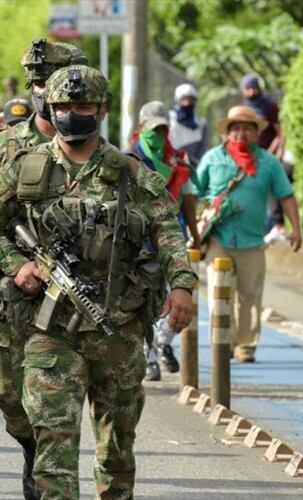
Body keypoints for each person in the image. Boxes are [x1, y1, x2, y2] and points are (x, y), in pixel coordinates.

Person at [0, 65, 196, 499]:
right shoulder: (25, 169)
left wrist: (182, 285)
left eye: (83, 106)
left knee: (117, 451)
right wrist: (17, 265)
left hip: (120, 327)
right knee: (53, 450)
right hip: (49, 330)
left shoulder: (128, 173)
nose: (73, 114)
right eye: (63, 107)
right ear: (49, 110)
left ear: (102, 110)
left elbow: (166, 227)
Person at [0, 39, 87, 500]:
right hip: (14, 287)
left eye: (45, 80)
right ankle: (30, 445)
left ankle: (51, 470)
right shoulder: (4, 144)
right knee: (8, 390)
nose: (37, 89)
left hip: (73, 293)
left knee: (55, 392)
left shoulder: (92, 147)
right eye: (32, 81)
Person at [195, 105, 301, 363]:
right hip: (218, 236)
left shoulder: (268, 163)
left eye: (247, 128)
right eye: (236, 128)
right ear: (228, 132)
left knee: (250, 296)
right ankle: (224, 340)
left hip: (252, 240)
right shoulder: (212, 158)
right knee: (219, 291)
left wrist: (296, 228)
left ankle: (246, 345)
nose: (241, 133)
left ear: (256, 133)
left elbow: (285, 196)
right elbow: (194, 192)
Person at [132, 100, 200, 382]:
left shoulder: (178, 161)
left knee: (181, 295)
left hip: (174, 237)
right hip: (141, 240)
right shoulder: (130, 160)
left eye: (162, 130)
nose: (158, 136)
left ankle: (162, 341)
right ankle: (148, 358)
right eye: (152, 131)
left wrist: (194, 234)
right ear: (141, 129)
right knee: (148, 299)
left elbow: (187, 199)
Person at [240, 74, 283, 158]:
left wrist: (272, 152)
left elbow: (280, 132)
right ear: (243, 90)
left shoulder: (269, 107)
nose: (251, 92)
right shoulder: (243, 108)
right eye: (248, 89)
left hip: (269, 153)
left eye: (254, 88)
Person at [168, 83, 208, 162]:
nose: (187, 103)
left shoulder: (201, 123)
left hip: (193, 166)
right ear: (178, 100)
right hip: (171, 163)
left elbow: (202, 149)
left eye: (190, 99)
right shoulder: (169, 118)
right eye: (184, 99)